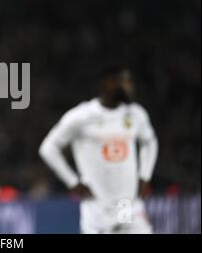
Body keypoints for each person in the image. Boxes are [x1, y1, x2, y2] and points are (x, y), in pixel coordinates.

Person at [39, 63, 158, 234]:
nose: (130, 87)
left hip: (126, 204)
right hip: (98, 207)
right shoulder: (82, 116)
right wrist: (72, 182)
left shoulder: (135, 114)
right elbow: (48, 148)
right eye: (124, 81)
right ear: (108, 83)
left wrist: (145, 175)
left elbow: (150, 142)